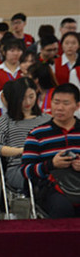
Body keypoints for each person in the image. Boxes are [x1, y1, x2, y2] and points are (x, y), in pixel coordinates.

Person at [20, 83, 80, 218]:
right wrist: (51, 165)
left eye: (66, 103)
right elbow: (26, 171)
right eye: (56, 102)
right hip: (51, 188)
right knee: (62, 208)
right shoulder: (37, 134)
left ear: (77, 106)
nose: (59, 108)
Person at [0, 77, 50, 192]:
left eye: (31, 96)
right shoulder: (6, 120)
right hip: (19, 166)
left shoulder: (47, 119)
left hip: (46, 163)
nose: (28, 102)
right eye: (23, 98)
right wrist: (23, 151)